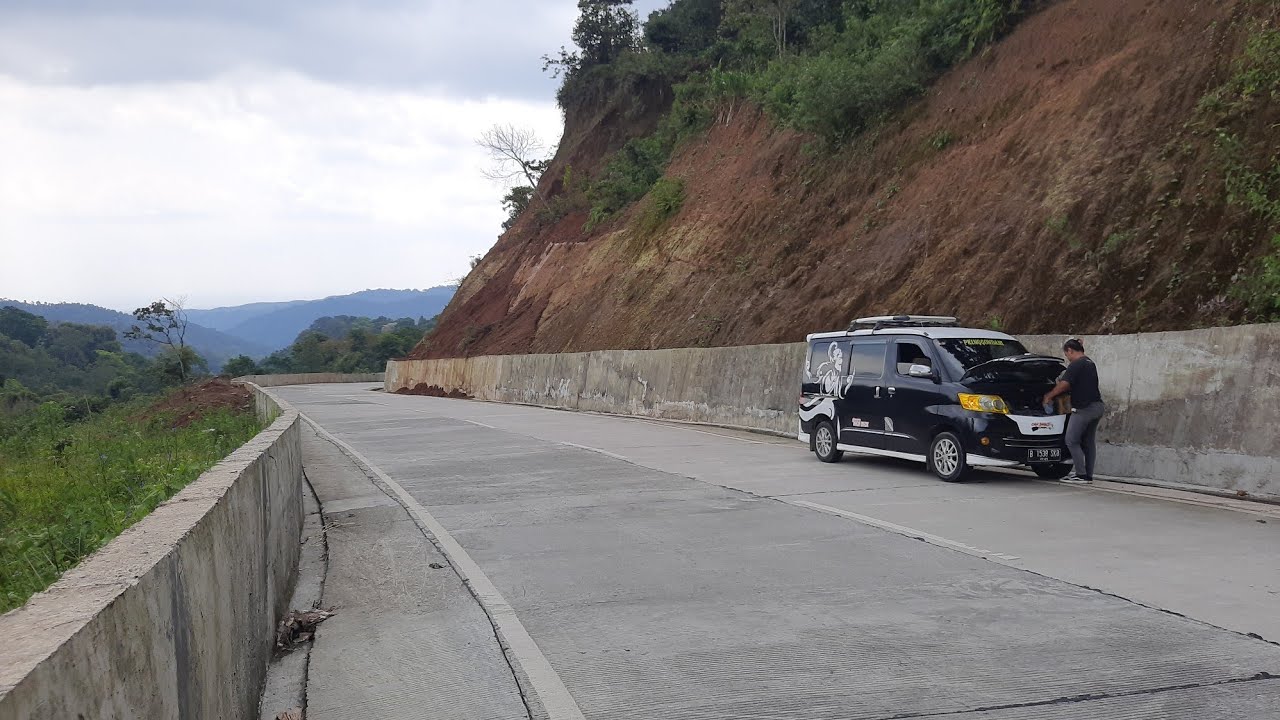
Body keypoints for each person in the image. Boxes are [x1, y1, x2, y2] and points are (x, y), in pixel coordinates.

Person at [1043, 337, 1104, 484]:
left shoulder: (1076, 364)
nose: (1067, 358)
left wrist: (1049, 396)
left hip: (1084, 409)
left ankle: (1080, 475)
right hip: (1097, 407)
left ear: (1070, 350)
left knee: (1071, 440)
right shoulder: (1089, 363)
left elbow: (1064, 384)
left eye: (1067, 354)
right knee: (1088, 442)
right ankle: (1088, 475)